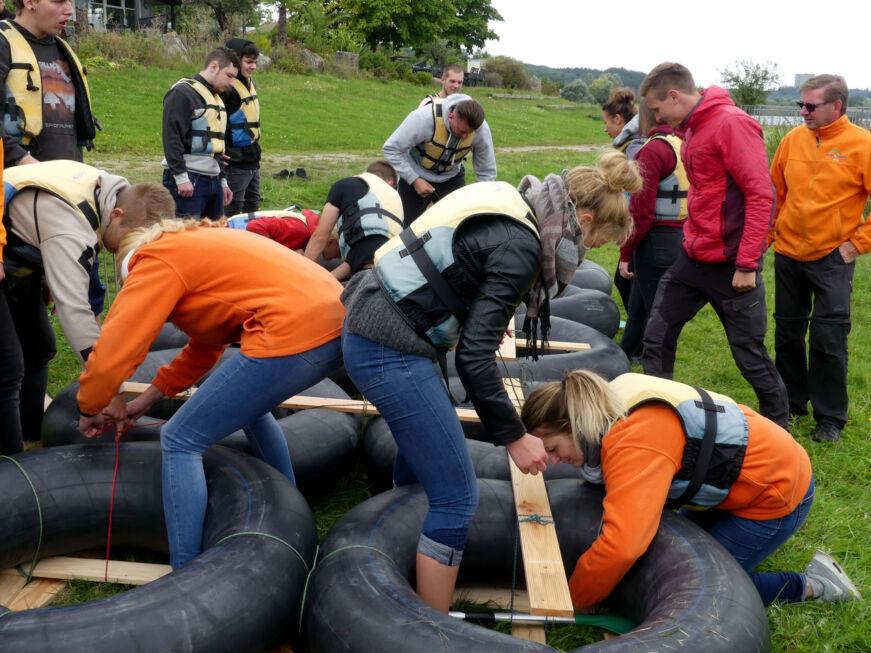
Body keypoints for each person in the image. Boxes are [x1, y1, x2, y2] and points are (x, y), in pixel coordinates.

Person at [341, 151, 642, 613]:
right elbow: (475, 358)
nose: (583, 257)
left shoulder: (520, 203)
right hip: (389, 344)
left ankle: (399, 526)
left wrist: (476, 309)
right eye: (594, 243)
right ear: (582, 219)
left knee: (427, 450)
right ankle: (430, 629)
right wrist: (515, 436)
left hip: (384, 321)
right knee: (459, 497)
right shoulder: (522, 248)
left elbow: (460, 263)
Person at [76, 212, 345, 569]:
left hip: (296, 331)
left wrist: (88, 406)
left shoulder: (154, 261)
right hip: (335, 320)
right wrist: (149, 397)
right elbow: (205, 348)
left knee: (180, 439)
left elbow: (115, 349)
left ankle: (186, 570)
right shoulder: (192, 245)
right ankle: (290, 504)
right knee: (251, 407)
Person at [521, 370, 862, 609]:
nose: (551, 460)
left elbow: (622, 546)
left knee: (710, 591)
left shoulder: (636, 442)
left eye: (552, 448)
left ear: (573, 424)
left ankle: (813, 586)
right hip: (734, 481)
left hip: (776, 493)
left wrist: (572, 601)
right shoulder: (608, 403)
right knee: (664, 560)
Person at [639, 62, 788, 428]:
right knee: (656, 335)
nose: (656, 117)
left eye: (657, 109)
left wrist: (747, 263)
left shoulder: (730, 123)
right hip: (693, 257)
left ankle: (779, 426)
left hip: (733, 264)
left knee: (748, 352)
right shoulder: (692, 128)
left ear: (674, 96)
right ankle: (657, 415)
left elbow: (760, 194)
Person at [0, 161, 164, 454]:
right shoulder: (70, 228)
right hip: (7, 255)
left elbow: (79, 268)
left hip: (18, 252)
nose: (130, 252)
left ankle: (31, 435)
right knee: (7, 366)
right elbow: (74, 310)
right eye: (131, 242)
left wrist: (49, 269)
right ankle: (11, 468)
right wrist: (108, 389)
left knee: (40, 347)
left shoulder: (108, 192)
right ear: (116, 215)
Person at [770, 75, 871, 443]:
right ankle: (790, 404)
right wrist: (770, 234)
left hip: (832, 258)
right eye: (801, 105)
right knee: (787, 333)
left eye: (811, 106)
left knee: (828, 339)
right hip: (788, 254)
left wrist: (855, 244)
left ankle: (829, 419)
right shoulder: (792, 140)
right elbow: (774, 191)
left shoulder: (862, 145)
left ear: (837, 106)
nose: (803, 112)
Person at [0, 0, 104, 315]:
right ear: (29, 1)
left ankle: (96, 358)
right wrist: (20, 159)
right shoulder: (4, 43)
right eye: (59, 1)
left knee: (83, 295)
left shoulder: (61, 49)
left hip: (68, 190)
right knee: (20, 304)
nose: (69, 9)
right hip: (22, 194)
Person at [618, 102, 687, 358]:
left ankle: (655, 370)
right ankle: (624, 357)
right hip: (679, 237)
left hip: (654, 240)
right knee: (638, 306)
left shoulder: (652, 151)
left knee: (655, 314)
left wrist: (626, 252)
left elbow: (641, 212)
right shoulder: (681, 144)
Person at [383, 94, 496, 226]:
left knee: (456, 224)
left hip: (451, 178)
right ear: (451, 116)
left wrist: (478, 200)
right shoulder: (423, 119)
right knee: (407, 227)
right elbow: (391, 148)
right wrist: (414, 179)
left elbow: (486, 172)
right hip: (416, 173)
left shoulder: (480, 129)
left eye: (469, 132)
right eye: (461, 130)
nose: (465, 136)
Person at [162, 47, 238, 219]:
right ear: (213, 67)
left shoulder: (217, 99)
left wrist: (223, 181)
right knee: (185, 240)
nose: (231, 83)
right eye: (229, 75)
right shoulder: (182, 93)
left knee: (212, 238)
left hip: (213, 180)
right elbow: (171, 138)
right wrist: (181, 178)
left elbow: (217, 147)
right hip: (188, 180)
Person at [303, 160, 403, 281]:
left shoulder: (345, 185)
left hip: (367, 267)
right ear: (390, 182)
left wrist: (303, 278)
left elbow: (319, 237)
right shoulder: (396, 197)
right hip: (395, 265)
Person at [601, 87, 645, 322]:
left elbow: (633, 190)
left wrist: (624, 224)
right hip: (641, 223)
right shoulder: (631, 141)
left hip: (640, 224)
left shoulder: (634, 146)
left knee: (626, 279)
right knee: (630, 281)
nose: (604, 128)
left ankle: (640, 335)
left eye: (606, 122)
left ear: (618, 119)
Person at [221, 38, 261, 216]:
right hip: (235, 162)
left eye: (255, 62)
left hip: (253, 158)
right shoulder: (227, 89)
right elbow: (217, 123)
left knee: (252, 209)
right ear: (236, 61)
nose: (253, 66)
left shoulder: (249, 83)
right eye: (249, 62)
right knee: (232, 211)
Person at [228, 206, 341, 260]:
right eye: (338, 255)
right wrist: (284, 254)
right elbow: (254, 226)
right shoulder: (299, 230)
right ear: (330, 242)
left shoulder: (309, 231)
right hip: (231, 238)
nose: (335, 259)